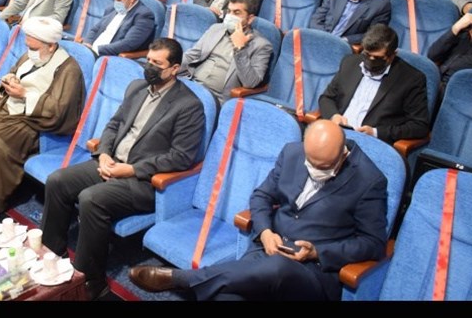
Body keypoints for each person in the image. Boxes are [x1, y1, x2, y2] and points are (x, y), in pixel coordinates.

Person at [129, 119, 388, 301]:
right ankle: (197, 280)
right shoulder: (293, 152)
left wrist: (317, 252)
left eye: (324, 167)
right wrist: (265, 232)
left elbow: (373, 243)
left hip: (311, 272)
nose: (315, 171)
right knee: (224, 296)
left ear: (343, 155)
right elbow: (261, 196)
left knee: (278, 268)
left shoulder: (369, 180)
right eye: (311, 163)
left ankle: (185, 279)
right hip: (268, 249)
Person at [42, 37, 204, 299]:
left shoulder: (189, 105)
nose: (149, 67)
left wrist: (131, 170)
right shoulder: (138, 87)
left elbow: (181, 157)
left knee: (91, 199)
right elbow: (114, 124)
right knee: (57, 180)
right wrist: (104, 153)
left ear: (174, 69)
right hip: (112, 162)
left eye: (157, 64)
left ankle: (90, 282)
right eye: (148, 60)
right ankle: (51, 252)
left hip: (143, 181)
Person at [0, 16, 85, 212]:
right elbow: (14, 72)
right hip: (10, 106)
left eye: (34, 48)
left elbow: (59, 109)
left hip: (34, 120)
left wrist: (25, 94)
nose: (30, 52)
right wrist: (9, 80)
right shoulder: (31, 55)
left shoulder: (69, 70)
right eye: (28, 46)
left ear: (51, 46)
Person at [320, 24, 430, 143]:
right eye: (367, 55)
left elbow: (419, 126)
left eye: (377, 58)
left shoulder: (411, 80)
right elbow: (326, 98)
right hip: (336, 133)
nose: (371, 61)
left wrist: (376, 132)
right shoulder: (350, 63)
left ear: (392, 55)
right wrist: (334, 115)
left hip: (370, 142)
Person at [182, 0, 272, 105]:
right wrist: (171, 66)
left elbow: (251, 82)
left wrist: (240, 49)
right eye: (229, 11)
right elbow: (192, 55)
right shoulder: (216, 28)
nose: (230, 16)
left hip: (216, 98)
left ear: (250, 19)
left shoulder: (261, 45)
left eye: (236, 13)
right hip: (192, 85)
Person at [427, 0, 472, 85]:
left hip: (469, 86)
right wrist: (455, 29)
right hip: (441, 80)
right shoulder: (465, 27)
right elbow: (432, 55)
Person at [83, 0, 154, 56]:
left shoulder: (144, 15)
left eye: (119, 0)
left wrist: (97, 50)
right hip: (91, 51)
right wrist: (87, 44)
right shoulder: (112, 8)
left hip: (109, 55)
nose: (116, 3)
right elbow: (95, 29)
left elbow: (127, 44)